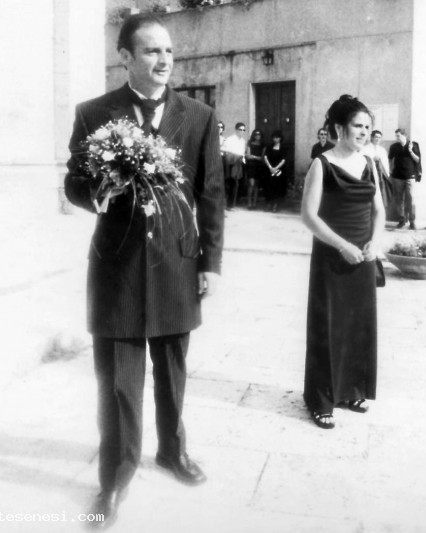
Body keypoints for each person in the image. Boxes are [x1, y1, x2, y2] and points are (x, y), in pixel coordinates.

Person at [63, 14, 223, 528]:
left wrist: (211, 264)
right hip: (118, 267)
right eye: (152, 51)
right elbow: (73, 182)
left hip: (177, 262)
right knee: (118, 383)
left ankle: (172, 451)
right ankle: (115, 477)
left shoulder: (198, 116)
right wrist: (97, 191)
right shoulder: (94, 113)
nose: (164, 60)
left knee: (172, 371)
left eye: (169, 51)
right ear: (126, 57)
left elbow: (211, 195)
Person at [301, 95, 384, 430]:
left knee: (358, 325)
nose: (363, 132)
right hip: (332, 257)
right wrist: (342, 246)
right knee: (328, 326)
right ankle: (320, 400)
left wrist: (375, 242)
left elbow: (379, 211)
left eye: (367, 127)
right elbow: (308, 216)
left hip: (363, 257)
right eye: (357, 126)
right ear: (339, 127)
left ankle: (351, 391)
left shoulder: (369, 163)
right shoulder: (321, 164)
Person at [388, 127, 421, 229]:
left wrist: (410, 151)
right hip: (397, 176)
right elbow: (390, 159)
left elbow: (418, 160)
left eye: (398, 136)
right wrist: (390, 170)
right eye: (396, 136)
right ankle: (401, 220)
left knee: (410, 199)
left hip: (410, 176)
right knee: (399, 199)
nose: (397, 138)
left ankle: (412, 221)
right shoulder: (394, 146)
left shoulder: (413, 145)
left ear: (404, 135)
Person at [223, 122, 247, 209]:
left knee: (238, 183)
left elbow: (243, 153)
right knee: (231, 183)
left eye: (243, 130)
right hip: (231, 163)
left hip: (239, 163)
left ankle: (233, 203)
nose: (242, 131)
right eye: (240, 129)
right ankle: (228, 204)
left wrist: (243, 160)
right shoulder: (230, 139)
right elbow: (225, 151)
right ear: (236, 130)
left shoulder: (243, 141)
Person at [263, 130, 288, 213]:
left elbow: (283, 160)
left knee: (277, 187)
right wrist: (270, 167)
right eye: (274, 137)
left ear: (280, 138)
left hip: (279, 170)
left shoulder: (283, 147)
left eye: (277, 137)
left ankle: (275, 205)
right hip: (270, 170)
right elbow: (265, 157)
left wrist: (276, 168)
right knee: (269, 187)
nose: (275, 139)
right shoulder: (269, 146)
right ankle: (268, 204)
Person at [244, 129, 265, 209]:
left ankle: (254, 203)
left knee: (256, 185)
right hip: (251, 165)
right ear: (253, 135)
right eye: (256, 134)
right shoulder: (250, 143)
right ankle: (249, 202)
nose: (257, 136)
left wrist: (253, 156)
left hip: (259, 166)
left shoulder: (263, 145)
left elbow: (262, 158)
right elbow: (248, 156)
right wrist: (256, 157)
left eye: (259, 134)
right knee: (251, 184)